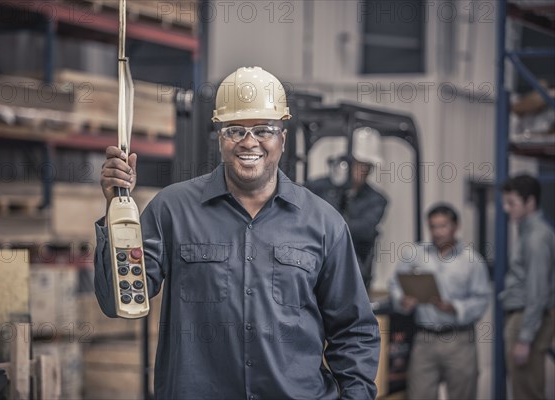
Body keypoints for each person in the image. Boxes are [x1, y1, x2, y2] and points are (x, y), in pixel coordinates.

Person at [95, 66, 380, 399]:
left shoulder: (324, 223)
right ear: (220, 138)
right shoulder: (172, 209)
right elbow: (119, 301)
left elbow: (354, 330)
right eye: (235, 130)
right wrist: (117, 210)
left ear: (282, 139)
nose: (249, 142)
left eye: (263, 129)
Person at [388, 203, 490, 400]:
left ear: (456, 226)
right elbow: (394, 283)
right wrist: (402, 300)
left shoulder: (472, 261)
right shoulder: (415, 254)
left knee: (463, 394)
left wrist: (455, 307)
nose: (437, 232)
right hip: (424, 339)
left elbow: (482, 299)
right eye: (433, 227)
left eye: (443, 226)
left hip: (459, 340)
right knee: (419, 394)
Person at [306, 127, 388, 289]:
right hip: (312, 260)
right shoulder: (317, 188)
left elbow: (363, 229)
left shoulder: (376, 200)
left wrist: (325, 226)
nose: (363, 171)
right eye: (359, 164)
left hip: (351, 266)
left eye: (367, 166)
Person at [500, 174, 555, 400]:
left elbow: (537, 292)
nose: (506, 208)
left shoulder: (536, 238)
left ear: (530, 202)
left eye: (512, 203)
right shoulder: (528, 232)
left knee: (527, 390)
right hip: (525, 316)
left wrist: (524, 338)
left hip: (528, 317)